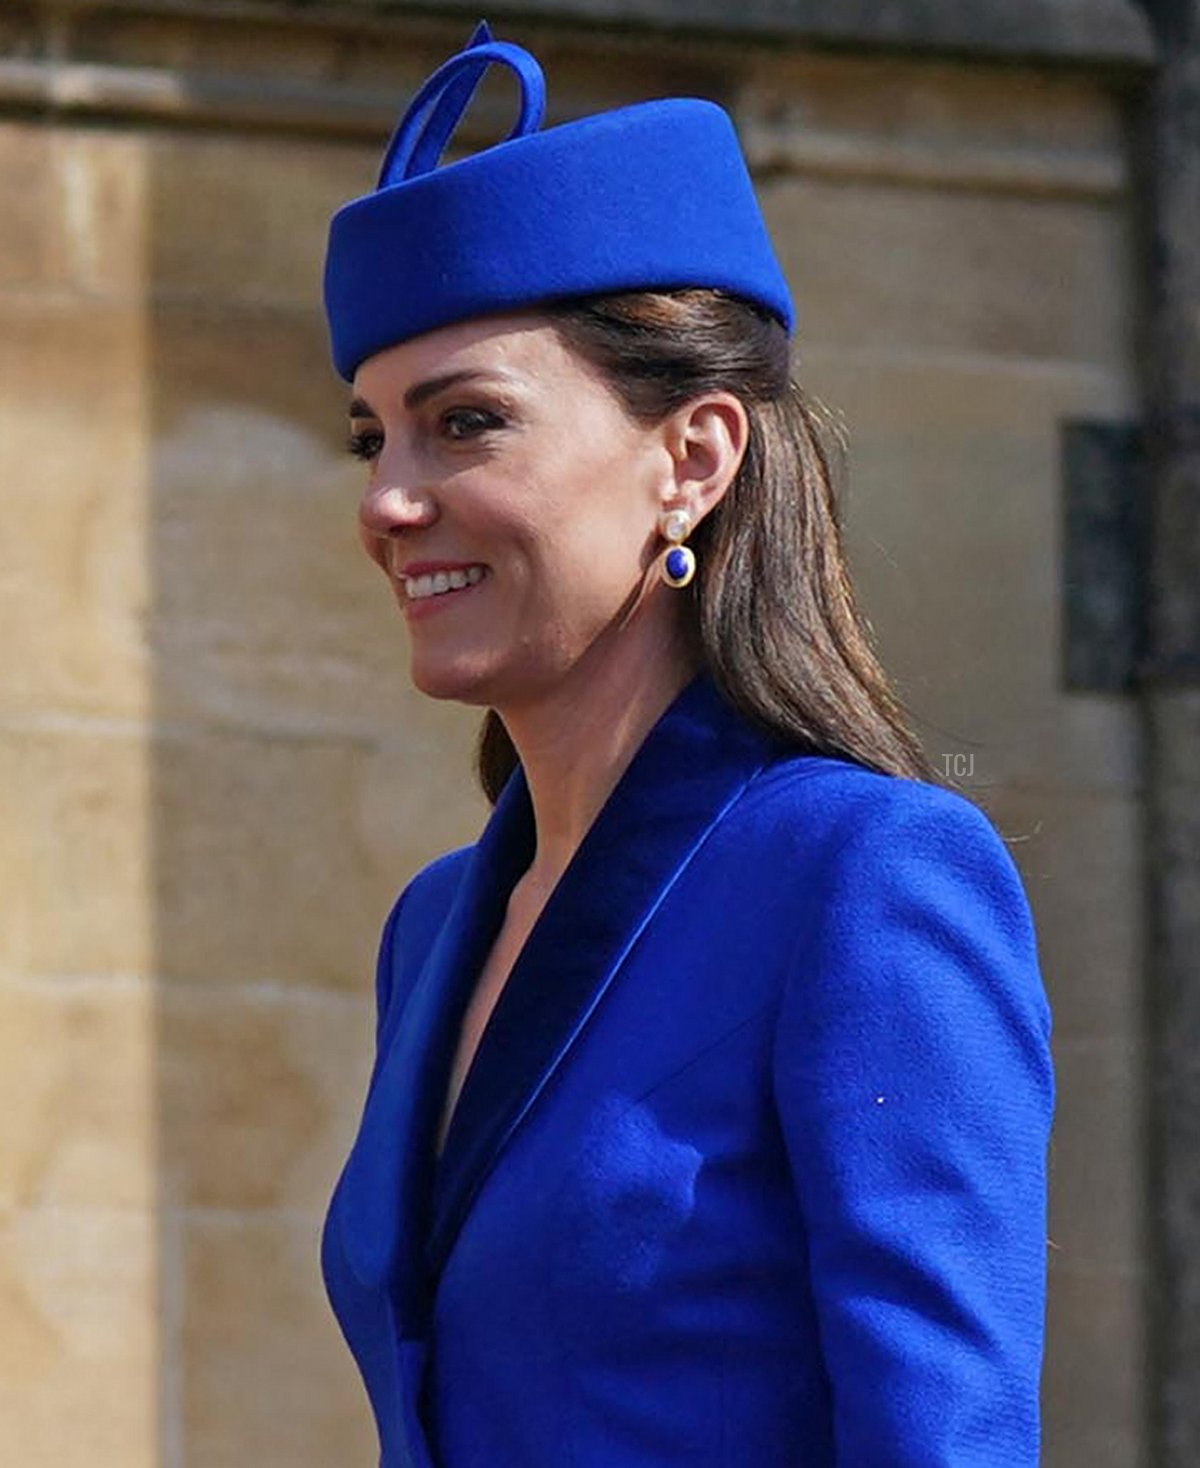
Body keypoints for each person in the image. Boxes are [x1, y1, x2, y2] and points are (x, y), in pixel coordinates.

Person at [319, 21, 1054, 1468]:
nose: (390, 501)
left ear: (695, 457)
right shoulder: (435, 927)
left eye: (465, 424)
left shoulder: (862, 874)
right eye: (370, 439)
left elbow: (943, 1437)